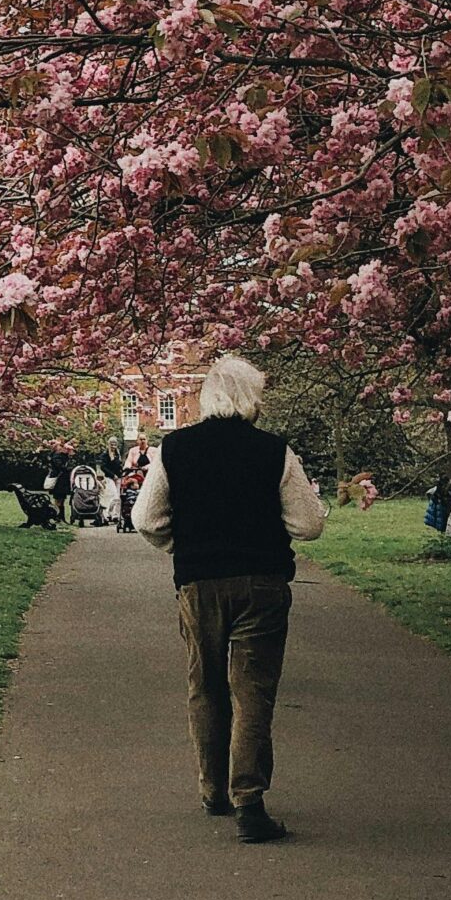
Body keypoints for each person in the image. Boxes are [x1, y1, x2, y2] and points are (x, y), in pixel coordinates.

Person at [133, 355, 326, 843]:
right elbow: (309, 524)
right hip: (261, 584)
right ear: (252, 398)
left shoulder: (174, 449)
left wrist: (186, 546)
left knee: (206, 686)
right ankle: (250, 800)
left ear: (207, 397)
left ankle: (212, 789)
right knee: (252, 690)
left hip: (199, 585)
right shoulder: (274, 452)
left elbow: (146, 520)